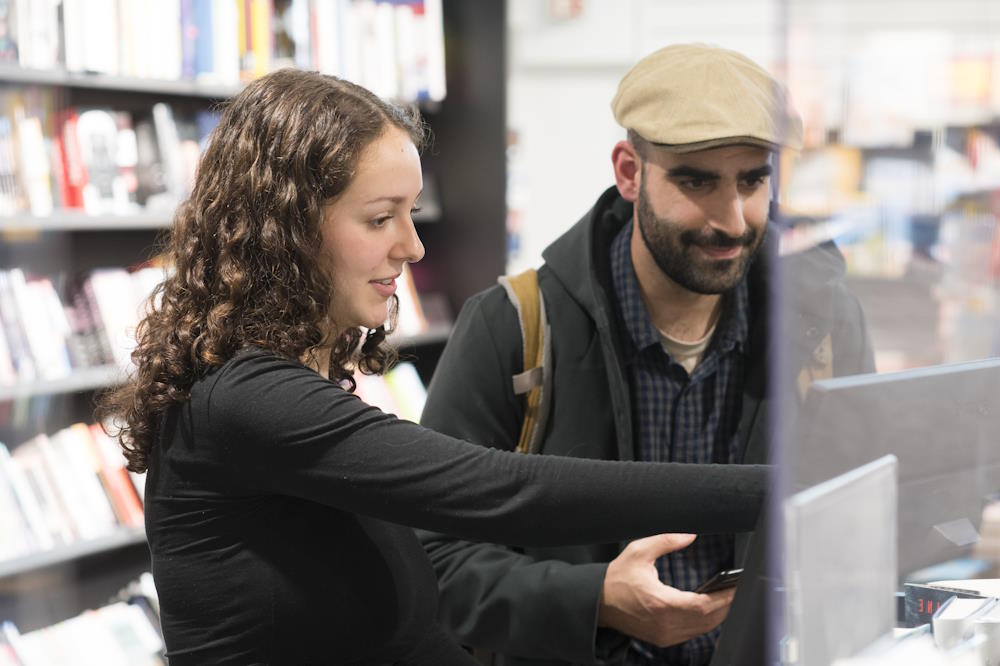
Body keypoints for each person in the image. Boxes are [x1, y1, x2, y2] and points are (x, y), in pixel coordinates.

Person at [95, 68, 772, 666]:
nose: (413, 246)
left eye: (411, 213)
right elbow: (503, 489)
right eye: (381, 218)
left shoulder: (293, 389)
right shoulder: (248, 401)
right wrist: (776, 489)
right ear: (291, 228)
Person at [417, 43, 876, 665]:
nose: (734, 220)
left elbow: (860, 520)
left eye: (753, 180)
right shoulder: (513, 326)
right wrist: (593, 600)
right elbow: (432, 553)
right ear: (630, 172)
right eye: (697, 180)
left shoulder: (823, 324)